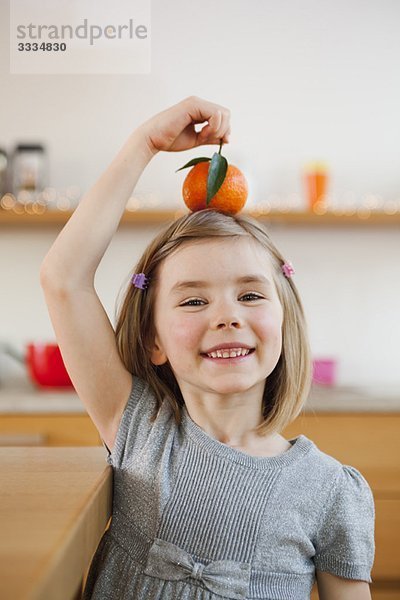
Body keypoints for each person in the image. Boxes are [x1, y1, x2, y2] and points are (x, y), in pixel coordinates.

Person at [40, 96, 375, 600]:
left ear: (284, 322)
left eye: (250, 295)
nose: (227, 315)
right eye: (194, 299)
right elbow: (63, 279)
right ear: (153, 340)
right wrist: (145, 144)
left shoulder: (331, 491)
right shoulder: (137, 427)